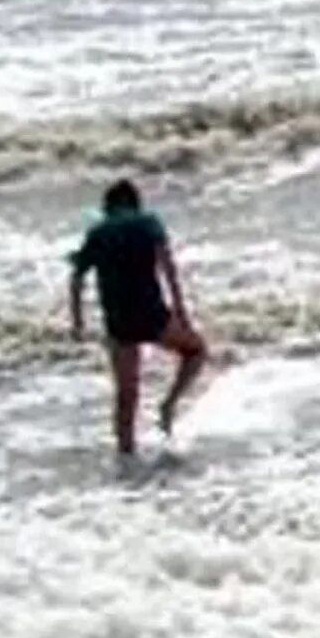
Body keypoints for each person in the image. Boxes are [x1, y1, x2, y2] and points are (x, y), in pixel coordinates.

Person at [66, 178, 209, 459]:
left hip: (117, 318)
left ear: (109, 206)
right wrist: (180, 311)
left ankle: (125, 455)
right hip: (151, 312)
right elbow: (168, 268)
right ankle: (168, 405)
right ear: (135, 202)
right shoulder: (148, 223)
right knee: (195, 351)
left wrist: (78, 321)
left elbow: (76, 278)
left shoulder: (98, 232)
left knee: (126, 393)